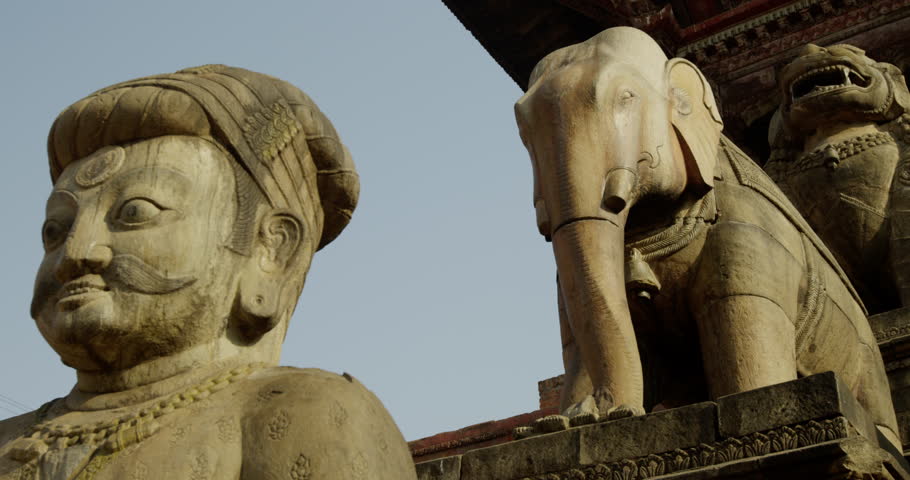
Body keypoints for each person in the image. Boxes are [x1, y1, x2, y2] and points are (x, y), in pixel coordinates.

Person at [0, 65, 417, 480]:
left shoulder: (303, 410)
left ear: (271, 250)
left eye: (136, 213)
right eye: (56, 230)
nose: (76, 252)